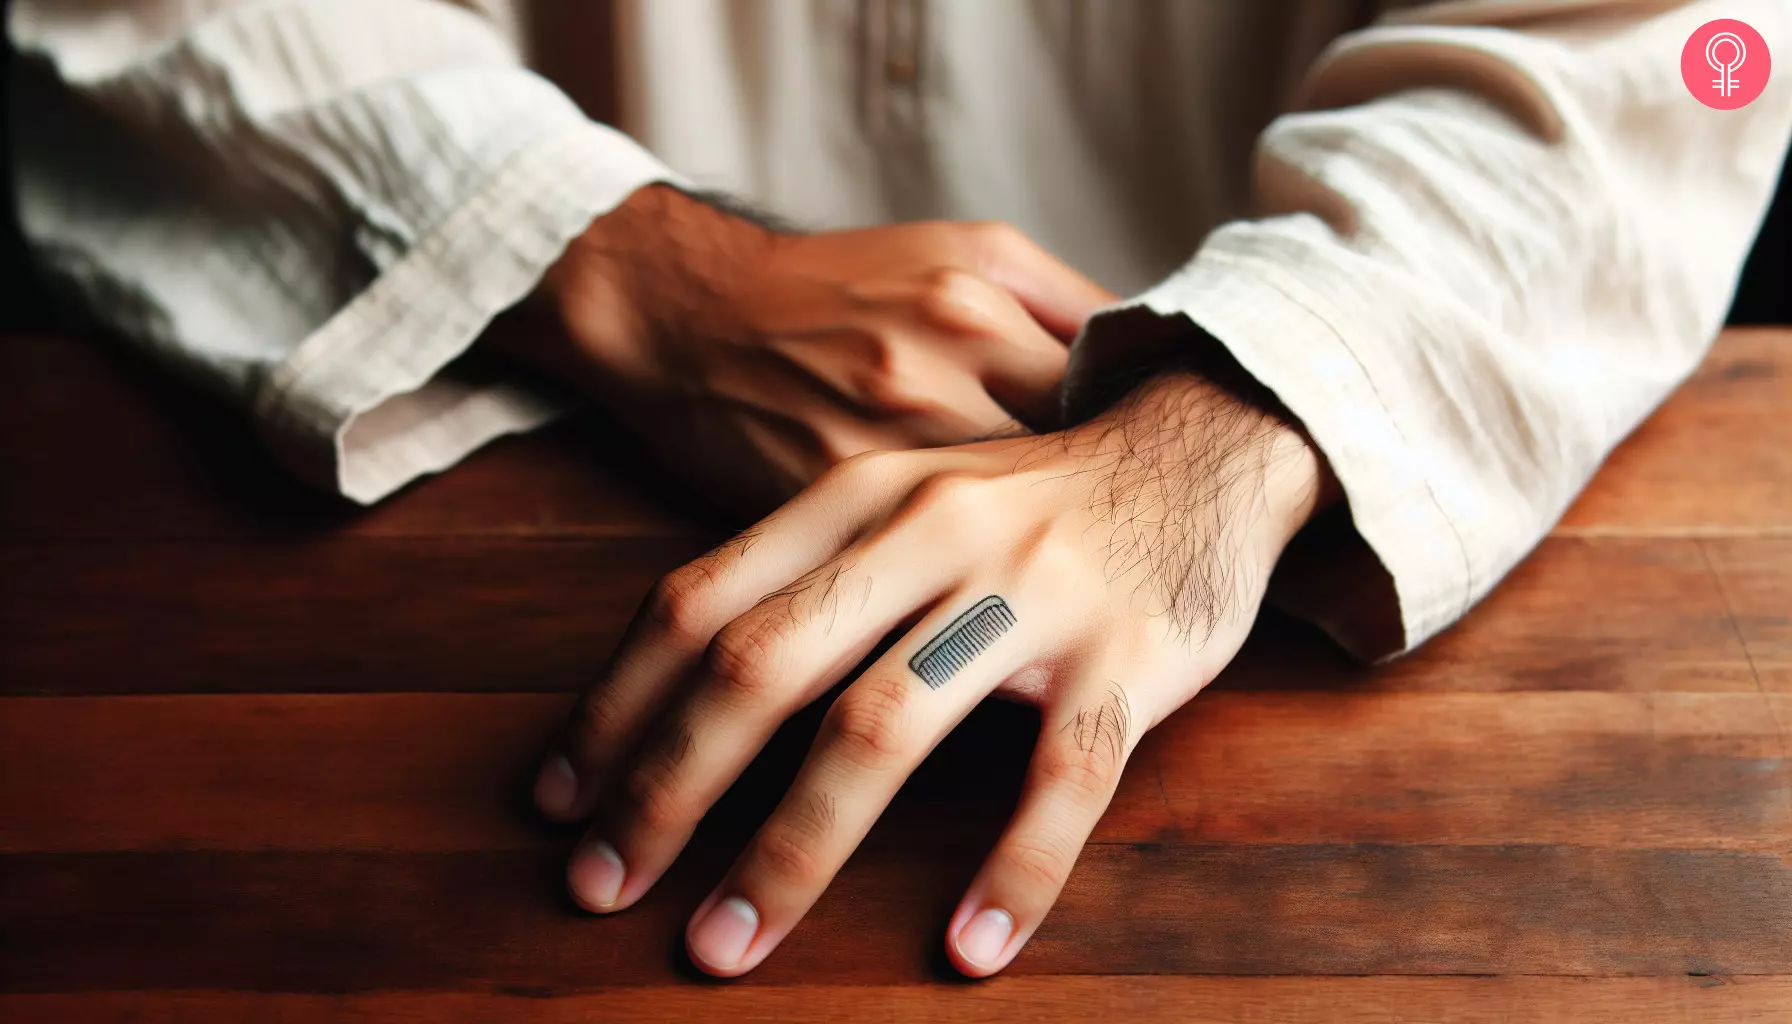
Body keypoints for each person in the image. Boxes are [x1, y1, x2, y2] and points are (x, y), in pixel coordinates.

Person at [9, 0, 1788, 980]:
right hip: (516, 454)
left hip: (1253, 594)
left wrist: (1214, 431)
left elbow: (1677, 46)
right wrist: (631, 269)